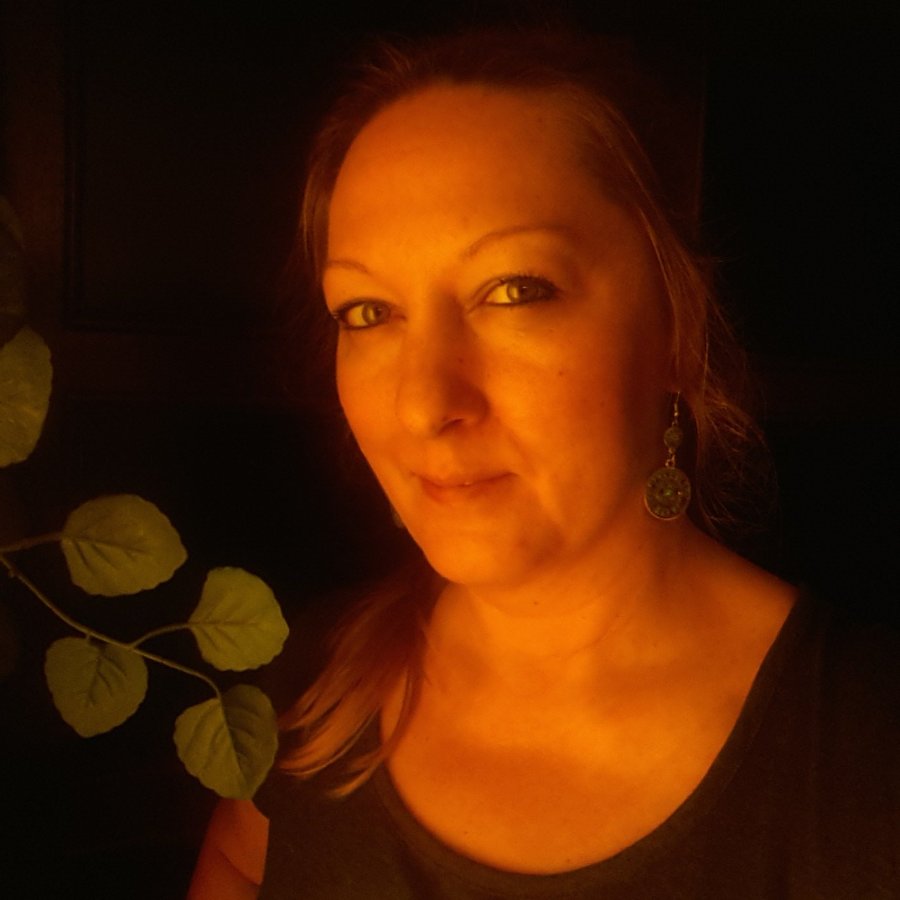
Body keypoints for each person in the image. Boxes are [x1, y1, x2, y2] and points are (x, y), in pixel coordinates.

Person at [188, 28, 900, 899]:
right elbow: (238, 859)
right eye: (368, 312)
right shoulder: (317, 681)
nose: (423, 405)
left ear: (677, 328)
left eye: (515, 291)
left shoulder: (867, 756)